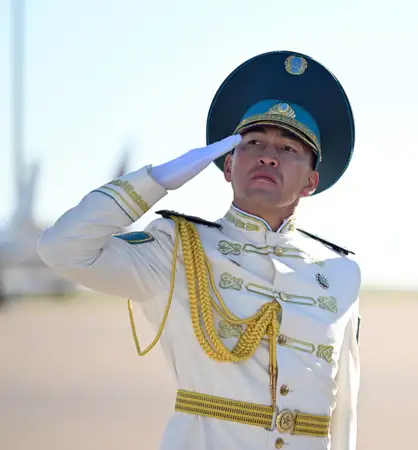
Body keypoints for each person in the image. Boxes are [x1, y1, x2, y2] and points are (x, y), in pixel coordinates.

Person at [37, 50, 361, 450]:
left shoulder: (341, 274)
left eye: (287, 149)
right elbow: (61, 249)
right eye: (253, 142)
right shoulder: (176, 248)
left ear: (311, 181)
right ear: (227, 166)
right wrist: (157, 180)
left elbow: (343, 410)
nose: (267, 155)